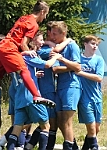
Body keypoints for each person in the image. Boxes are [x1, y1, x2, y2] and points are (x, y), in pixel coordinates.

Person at [0, 0, 55, 133]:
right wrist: (26, 50)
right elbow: (23, 43)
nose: (45, 18)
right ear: (42, 12)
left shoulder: (24, 17)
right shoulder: (34, 24)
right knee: (24, 71)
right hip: (9, 49)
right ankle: (36, 96)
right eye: (45, 15)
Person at [27, 21, 73, 150]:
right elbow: (55, 57)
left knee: (48, 123)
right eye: (52, 33)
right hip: (46, 89)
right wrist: (67, 41)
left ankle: (28, 146)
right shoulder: (45, 51)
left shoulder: (45, 48)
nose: (54, 36)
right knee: (50, 124)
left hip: (50, 89)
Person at [51, 21, 82, 150]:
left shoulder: (72, 46)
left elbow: (77, 66)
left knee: (67, 120)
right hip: (60, 87)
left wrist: (62, 61)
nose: (52, 36)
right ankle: (73, 146)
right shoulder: (59, 46)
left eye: (55, 34)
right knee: (60, 120)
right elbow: (54, 68)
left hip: (71, 86)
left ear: (63, 33)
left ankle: (68, 147)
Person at [76, 35, 104, 150]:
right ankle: (94, 147)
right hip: (84, 98)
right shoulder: (78, 59)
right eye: (93, 44)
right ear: (85, 44)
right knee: (91, 128)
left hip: (97, 98)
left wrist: (80, 73)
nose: (95, 47)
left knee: (96, 128)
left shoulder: (98, 60)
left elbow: (99, 78)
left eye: (96, 45)